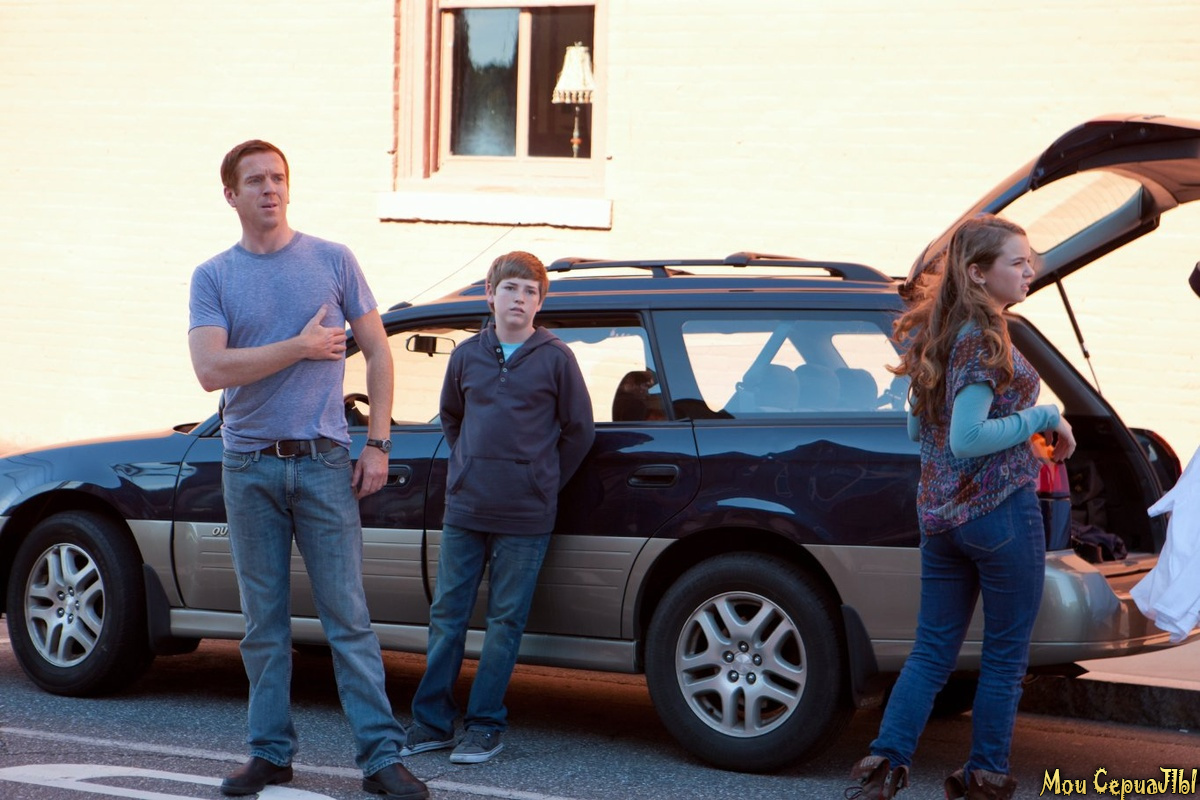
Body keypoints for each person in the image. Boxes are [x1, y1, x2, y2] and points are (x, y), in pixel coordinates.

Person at [188, 140, 428, 799]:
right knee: (262, 625)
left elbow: (377, 352)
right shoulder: (213, 276)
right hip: (248, 466)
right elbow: (210, 370)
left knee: (348, 618)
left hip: (324, 463)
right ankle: (269, 754)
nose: (270, 188)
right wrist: (299, 347)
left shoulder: (333, 259)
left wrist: (378, 443)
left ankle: (381, 759)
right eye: (255, 181)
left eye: (278, 178)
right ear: (231, 195)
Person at [845, 215, 1076, 800]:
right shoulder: (985, 339)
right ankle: (983, 780)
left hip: (941, 519)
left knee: (931, 652)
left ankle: (883, 769)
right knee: (1004, 660)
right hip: (999, 515)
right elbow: (966, 439)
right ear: (977, 273)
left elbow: (915, 429)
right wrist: (1043, 416)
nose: (1030, 270)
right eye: (1016, 262)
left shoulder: (941, 336)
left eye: (1029, 260)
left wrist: (1013, 427)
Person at [401, 251, 595, 764]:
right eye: (511, 288)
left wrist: (542, 481)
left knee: (505, 621)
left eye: (531, 292)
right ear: (490, 294)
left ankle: (485, 725)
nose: (520, 299)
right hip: (466, 507)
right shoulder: (466, 355)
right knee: (448, 616)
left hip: (526, 514)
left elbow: (579, 431)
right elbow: (451, 417)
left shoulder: (557, 359)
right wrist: (469, 466)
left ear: (540, 303)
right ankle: (431, 722)